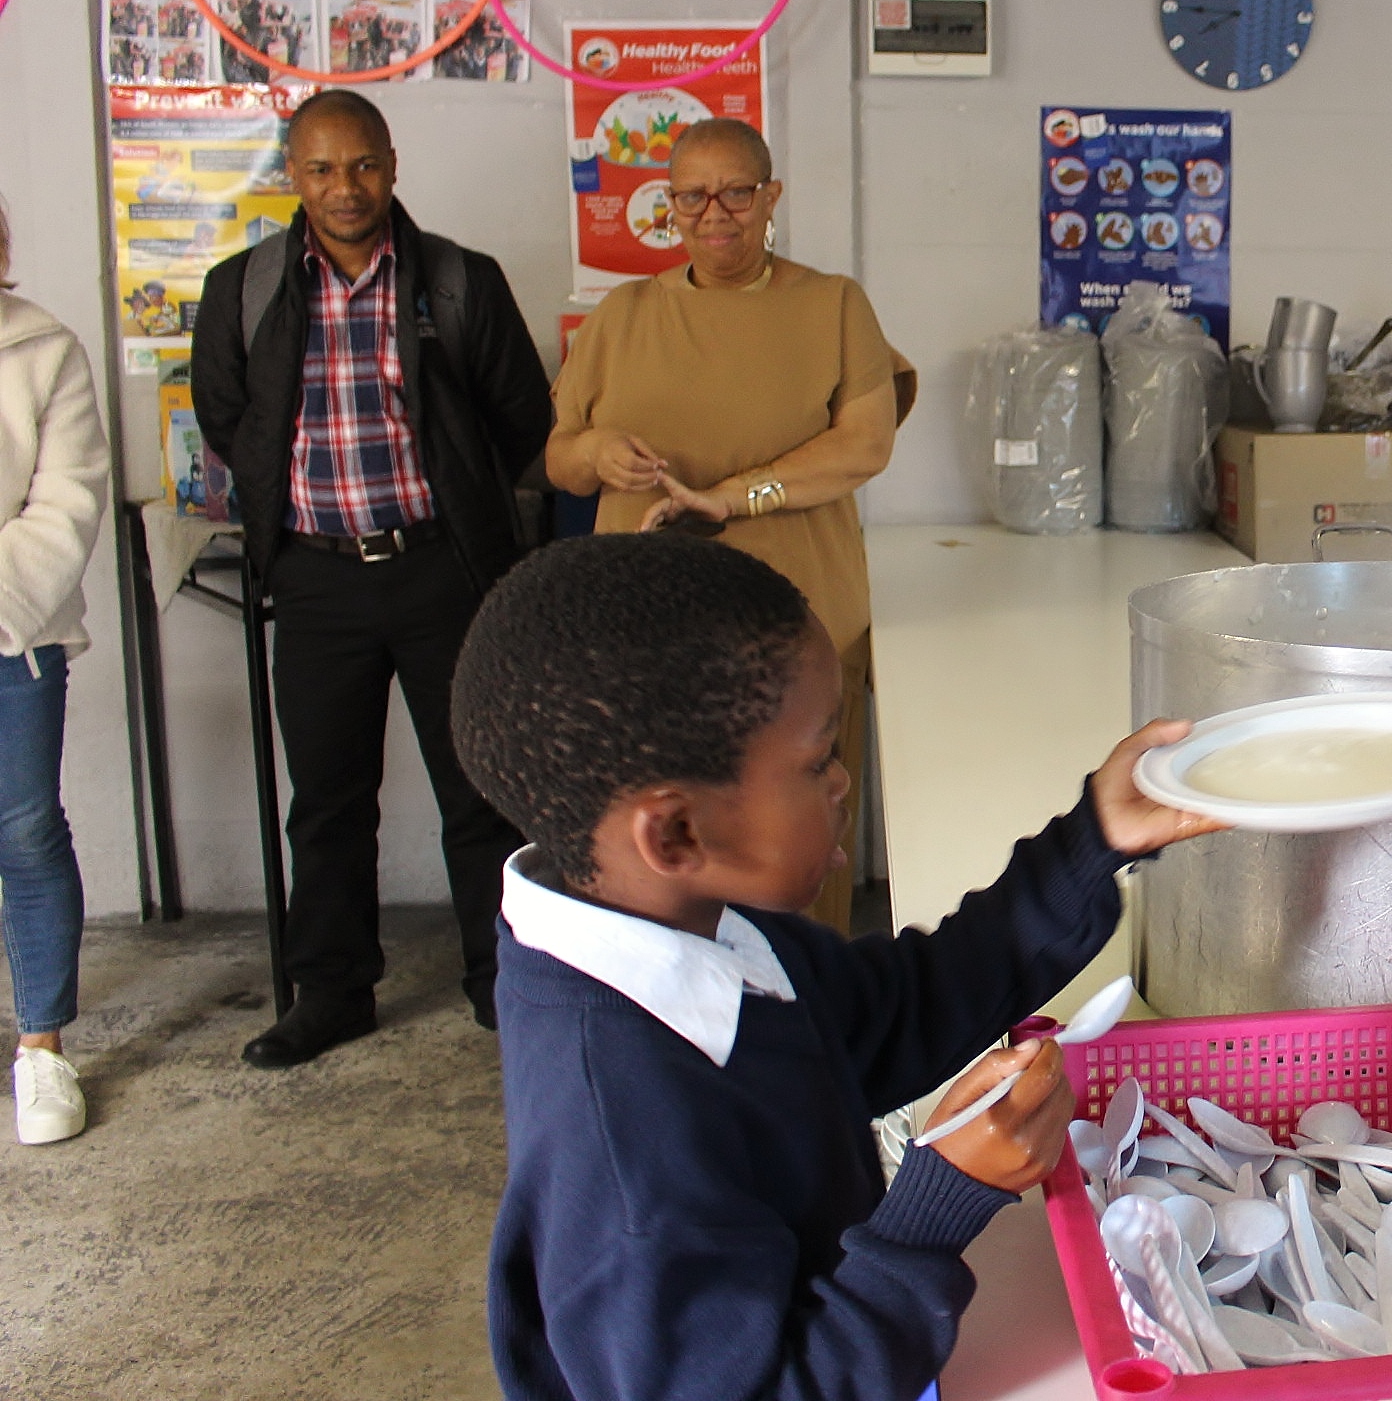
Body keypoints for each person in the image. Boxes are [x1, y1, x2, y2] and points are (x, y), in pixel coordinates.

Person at [450, 534, 1220, 1400]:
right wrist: (941, 1202)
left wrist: (1092, 842)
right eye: (818, 760)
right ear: (674, 833)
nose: (844, 782)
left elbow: (893, 1011)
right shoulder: (626, 1152)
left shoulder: (698, 924)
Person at [194, 89, 553, 1068]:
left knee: (481, 789)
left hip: (446, 572)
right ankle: (334, 991)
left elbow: (522, 419)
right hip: (316, 583)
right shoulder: (243, 290)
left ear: (392, 164)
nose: (344, 187)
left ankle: (503, 984)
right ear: (292, 176)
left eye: (362, 165)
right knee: (328, 800)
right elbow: (232, 422)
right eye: (321, 168)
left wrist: (463, 517)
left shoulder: (456, 281)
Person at [546, 118, 913, 935]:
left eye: (737, 192)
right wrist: (600, 452)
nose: (716, 213)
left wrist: (736, 498)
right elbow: (560, 458)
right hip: (650, 632)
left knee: (799, 826)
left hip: (801, 619)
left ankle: (809, 1004)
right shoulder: (623, 316)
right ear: (668, 207)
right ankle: (673, 1004)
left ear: (770, 196)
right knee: (663, 829)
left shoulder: (832, 304)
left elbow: (865, 443)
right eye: (692, 196)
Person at [0, 198, 111, 1143]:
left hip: (14, 634)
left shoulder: (44, 350)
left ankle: (41, 1050)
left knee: (26, 833)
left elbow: (67, 503)